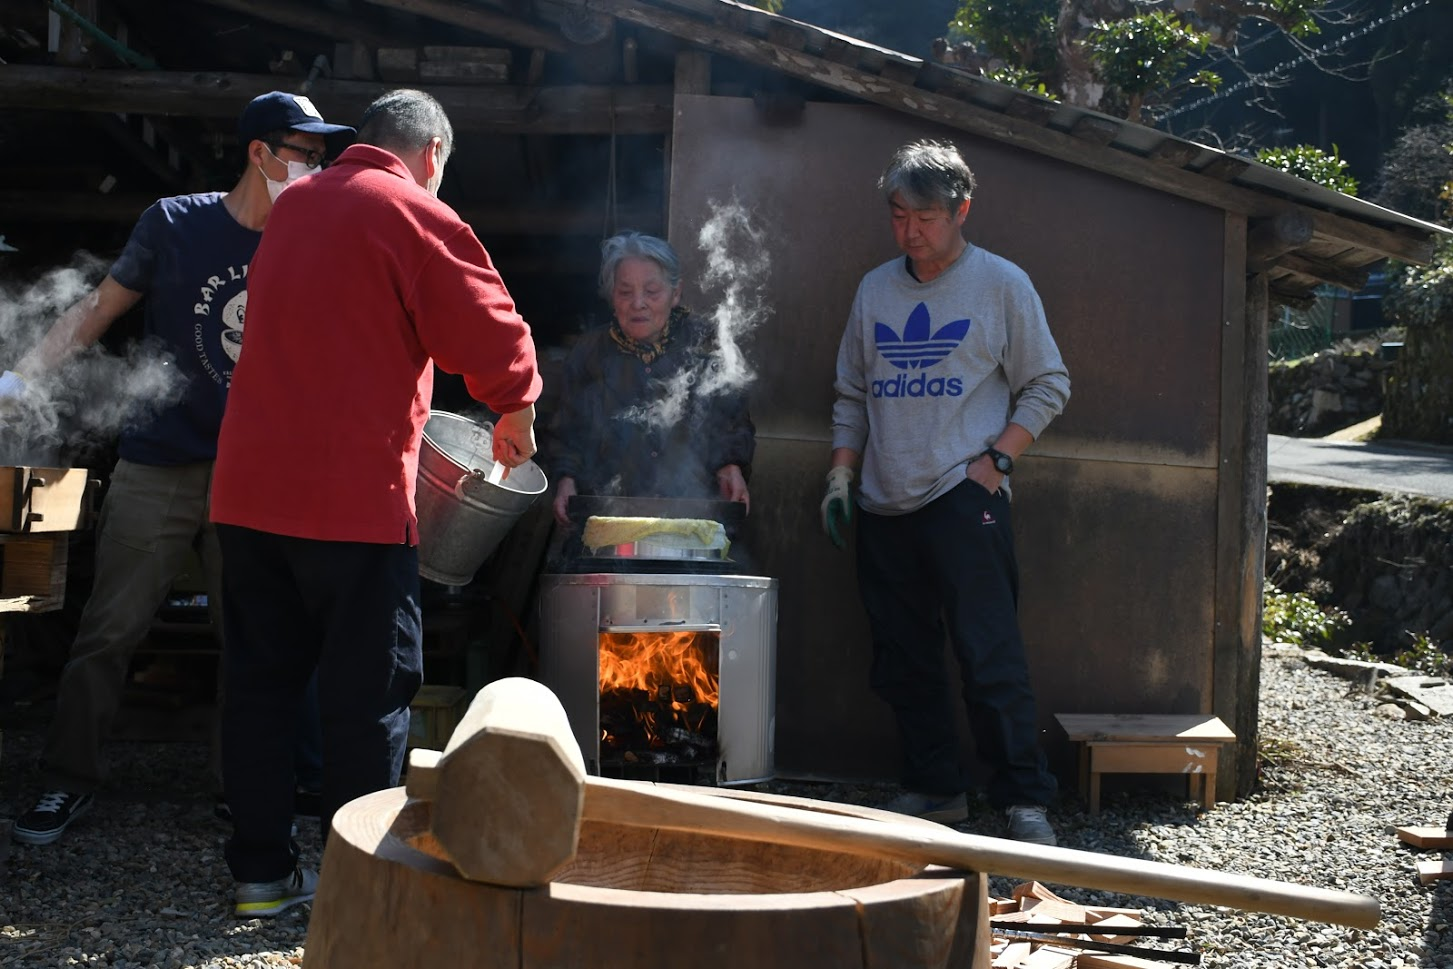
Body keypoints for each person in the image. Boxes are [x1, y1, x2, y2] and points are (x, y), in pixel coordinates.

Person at [208, 88, 541, 917]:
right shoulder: (413, 213)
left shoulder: (294, 205)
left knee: (258, 686)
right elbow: (490, 330)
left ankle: (257, 877)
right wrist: (516, 404)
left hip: (247, 498)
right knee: (367, 697)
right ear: (431, 154)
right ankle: (355, 885)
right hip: (352, 504)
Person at [4, 91, 354, 847]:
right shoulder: (175, 221)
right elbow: (99, 307)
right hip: (158, 461)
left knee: (252, 642)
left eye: (321, 155)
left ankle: (243, 790)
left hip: (257, 476)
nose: (314, 166)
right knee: (109, 629)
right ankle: (67, 780)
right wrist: (21, 379)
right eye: (302, 151)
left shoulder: (315, 233)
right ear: (258, 153)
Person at [821, 139, 1070, 846]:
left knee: (988, 651)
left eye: (925, 216)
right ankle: (936, 788)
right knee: (901, 655)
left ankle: (1023, 798)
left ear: (961, 209)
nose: (910, 231)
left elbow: (1048, 382)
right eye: (898, 215)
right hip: (882, 499)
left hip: (964, 494)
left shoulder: (999, 284)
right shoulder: (874, 289)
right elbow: (852, 392)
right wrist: (842, 474)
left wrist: (995, 461)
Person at [548, 231, 754, 527]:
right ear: (612, 298)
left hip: (694, 518)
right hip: (607, 519)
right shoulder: (589, 353)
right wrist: (565, 479)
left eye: (652, 291)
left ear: (676, 293)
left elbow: (732, 420)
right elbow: (567, 430)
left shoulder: (705, 345)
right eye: (625, 292)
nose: (638, 303)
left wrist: (731, 464)